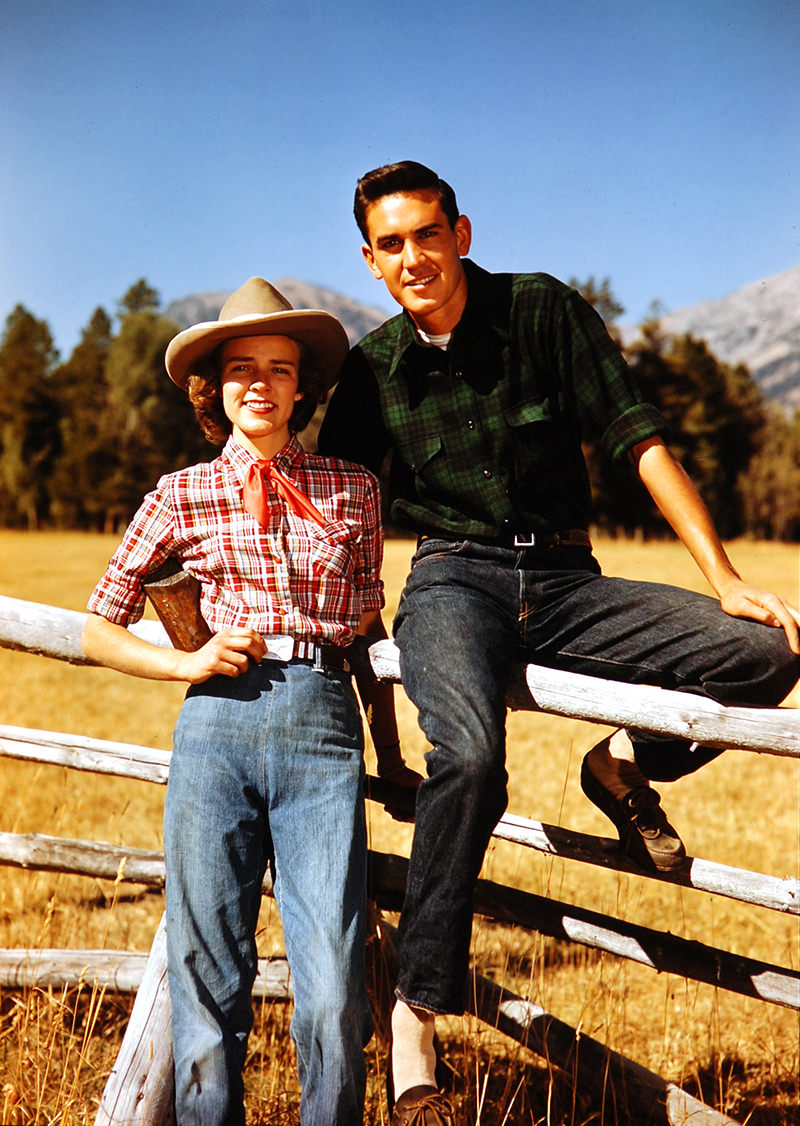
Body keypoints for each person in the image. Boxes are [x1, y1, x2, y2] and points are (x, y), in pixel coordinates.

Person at [316, 160, 800, 1125]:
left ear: (460, 232)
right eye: (391, 245)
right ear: (369, 262)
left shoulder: (543, 312)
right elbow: (339, 517)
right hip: (454, 579)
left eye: (427, 234)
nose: (413, 258)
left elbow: (639, 438)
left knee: (770, 653)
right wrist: (368, 688)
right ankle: (418, 1015)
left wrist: (726, 580)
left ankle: (620, 765)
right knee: (473, 761)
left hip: (570, 579)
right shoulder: (371, 370)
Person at [82, 277, 419, 1126]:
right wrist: (184, 663)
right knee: (208, 971)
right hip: (216, 726)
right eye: (241, 369)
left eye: (278, 368)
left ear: (302, 386)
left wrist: (388, 750)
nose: (260, 385)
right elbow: (99, 625)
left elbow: (365, 632)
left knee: (334, 977)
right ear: (216, 388)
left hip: (322, 723)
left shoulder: (353, 490)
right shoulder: (179, 493)